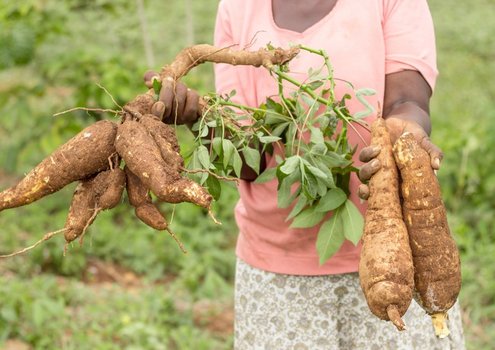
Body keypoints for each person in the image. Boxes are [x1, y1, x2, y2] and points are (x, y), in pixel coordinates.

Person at [146, 0, 465, 348]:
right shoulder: (237, 8)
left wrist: (406, 133)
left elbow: (408, 102)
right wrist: (197, 118)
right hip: (276, 273)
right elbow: (250, 162)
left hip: (396, 260)